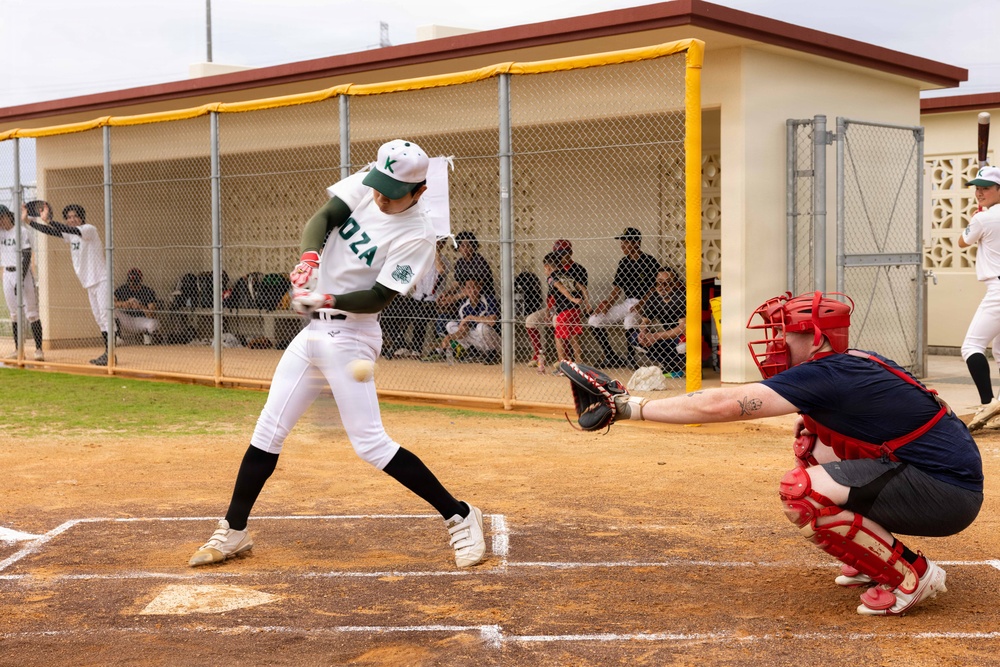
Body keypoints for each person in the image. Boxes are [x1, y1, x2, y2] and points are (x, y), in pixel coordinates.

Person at [189, 139, 486, 570]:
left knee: (371, 444)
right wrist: (310, 259)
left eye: (393, 192)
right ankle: (235, 529)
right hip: (314, 331)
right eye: (379, 186)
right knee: (268, 431)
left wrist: (326, 298)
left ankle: (460, 515)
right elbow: (324, 217)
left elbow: (379, 296)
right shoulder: (372, 183)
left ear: (419, 191)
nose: (380, 196)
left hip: (352, 336)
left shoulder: (419, 234)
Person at [598, 290, 982, 616]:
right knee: (812, 444)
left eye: (786, 332)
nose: (777, 341)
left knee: (803, 492)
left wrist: (632, 407)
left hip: (946, 493)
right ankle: (873, 558)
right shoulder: (849, 363)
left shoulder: (827, 374)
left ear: (816, 339)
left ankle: (911, 575)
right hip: (936, 477)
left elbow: (722, 405)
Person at [24, 201, 114, 365]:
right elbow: (52, 231)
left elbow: (69, 229)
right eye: (69, 217)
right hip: (89, 283)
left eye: (75, 216)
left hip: (101, 280)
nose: (72, 219)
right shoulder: (71, 234)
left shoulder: (88, 229)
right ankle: (108, 353)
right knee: (99, 318)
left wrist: (48, 220)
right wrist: (30, 222)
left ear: (82, 218)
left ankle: (111, 355)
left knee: (105, 317)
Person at [958, 165, 1000, 431]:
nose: (980, 193)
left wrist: (976, 218)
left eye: (986, 188)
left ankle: (987, 402)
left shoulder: (983, 218)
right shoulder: (985, 217)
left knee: (971, 346)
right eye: (977, 188)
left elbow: (962, 242)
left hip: (998, 290)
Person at [588, 227, 661, 368]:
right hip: (628, 302)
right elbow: (617, 288)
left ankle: (631, 359)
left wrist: (642, 303)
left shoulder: (649, 261)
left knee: (629, 321)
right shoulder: (624, 262)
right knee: (594, 320)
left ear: (636, 243)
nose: (622, 246)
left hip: (646, 303)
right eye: (622, 242)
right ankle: (610, 356)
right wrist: (607, 303)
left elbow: (655, 288)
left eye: (626, 242)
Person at [381, 237, 450, 358]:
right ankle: (401, 344)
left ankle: (416, 349)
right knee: (387, 312)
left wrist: (436, 252)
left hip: (432, 300)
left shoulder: (444, 261)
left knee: (420, 315)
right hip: (416, 298)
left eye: (439, 242)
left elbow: (441, 270)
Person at [525, 239, 588, 369]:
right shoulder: (553, 272)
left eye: (563, 254)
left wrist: (581, 303)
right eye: (557, 254)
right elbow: (551, 295)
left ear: (570, 253)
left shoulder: (578, 269)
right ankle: (538, 355)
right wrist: (549, 311)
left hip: (570, 306)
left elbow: (577, 290)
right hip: (555, 306)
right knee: (530, 320)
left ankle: (565, 359)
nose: (559, 257)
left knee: (557, 322)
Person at [0, 205, 44, 360]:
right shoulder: (1, 233)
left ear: (8, 215)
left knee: (31, 313)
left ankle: (39, 350)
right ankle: (19, 350)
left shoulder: (21, 231)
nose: (1, 221)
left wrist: (20, 279)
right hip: (7, 273)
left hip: (23, 273)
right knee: (14, 315)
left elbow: (26, 256)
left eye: (2, 217)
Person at [425, 277, 501, 364]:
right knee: (450, 325)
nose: (472, 290)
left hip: (495, 341)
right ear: (464, 290)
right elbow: (463, 330)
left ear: (480, 287)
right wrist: (449, 337)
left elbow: (492, 321)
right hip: (478, 340)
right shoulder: (464, 305)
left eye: (475, 287)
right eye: (469, 288)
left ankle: (492, 354)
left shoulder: (488, 299)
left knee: (481, 327)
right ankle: (473, 350)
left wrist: (470, 317)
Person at [542, 251, 588, 375]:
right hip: (575, 310)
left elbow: (559, 287)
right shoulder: (567, 274)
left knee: (559, 337)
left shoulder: (551, 277)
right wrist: (586, 303)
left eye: (544, 269)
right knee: (573, 337)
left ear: (548, 267)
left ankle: (562, 367)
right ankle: (579, 364)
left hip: (564, 310)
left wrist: (571, 298)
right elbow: (582, 287)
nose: (545, 271)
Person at [634, 267, 686, 377]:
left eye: (668, 283)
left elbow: (682, 328)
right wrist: (643, 332)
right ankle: (671, 366)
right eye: (659, 283)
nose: (663, 287)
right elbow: (644, 321)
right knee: (636, 338)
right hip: (668, 338)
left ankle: (684, 364)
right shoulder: (654, 298)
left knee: (683, 343)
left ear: (676, 284)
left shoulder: (681, 298)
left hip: (683, 338)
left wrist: (656, 336)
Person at [114, 267, 160, 345]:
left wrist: (140, 306)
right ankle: (118, 338)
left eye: (135, 282)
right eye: (131, 281)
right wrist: (124, 304)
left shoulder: (147, 291)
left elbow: (152, 314)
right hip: (127, 319)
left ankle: (147, 338)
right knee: (112, 312)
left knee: (154, 323)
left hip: (141, 320)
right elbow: (112, 303)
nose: (132, 284)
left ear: (140, 281)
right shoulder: (123, 289)